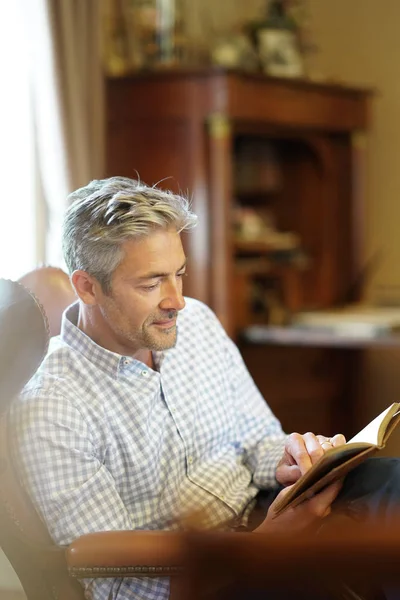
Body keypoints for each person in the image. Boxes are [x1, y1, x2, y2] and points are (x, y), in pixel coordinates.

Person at [10, 177, 400, 600]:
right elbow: (114, 578)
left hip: (260, 510)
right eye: (151, 283)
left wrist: (291, 461)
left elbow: (258, 440)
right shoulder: (51, 405)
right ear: (87, 287)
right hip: (197, 577)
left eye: (178, 274)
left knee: (393, 484)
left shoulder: (194, 321)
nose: (176, 300)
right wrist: (262, 547)